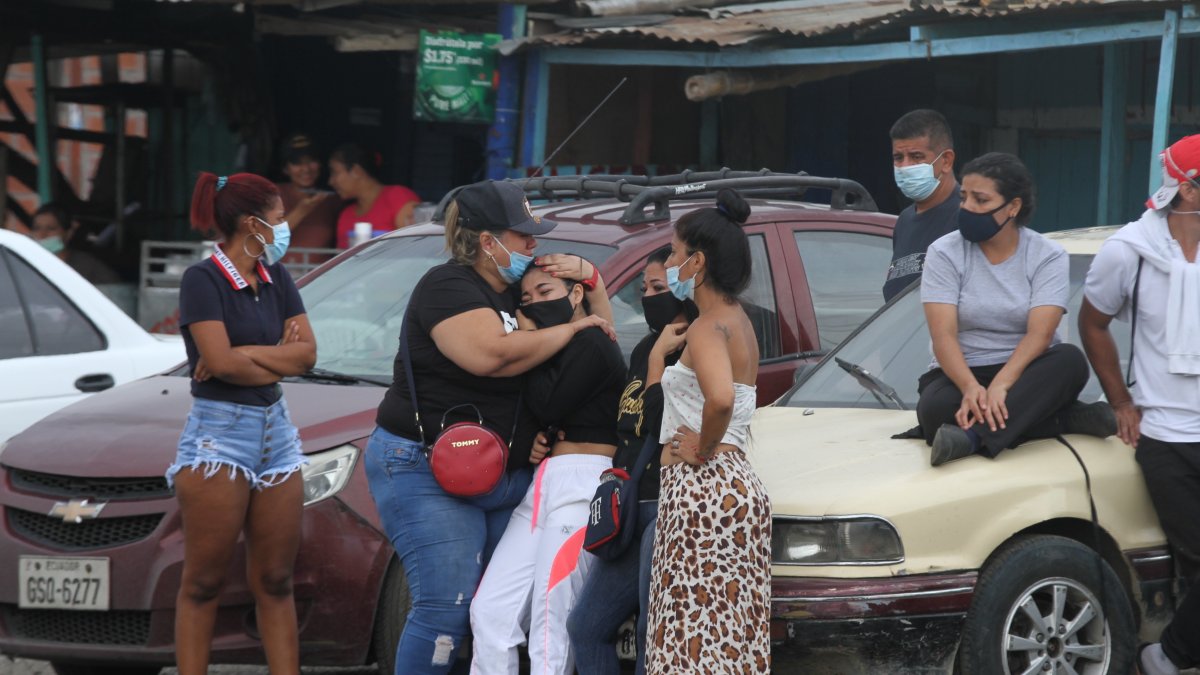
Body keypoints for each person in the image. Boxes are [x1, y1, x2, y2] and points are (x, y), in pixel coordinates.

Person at [365, 180, 614, 675]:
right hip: (427, 467)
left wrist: (593, 284)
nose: (532, 245)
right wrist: (568, 328)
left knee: (494, 609)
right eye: (522, 236)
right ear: (487, 242)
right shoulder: (448, 286)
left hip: (506, 475)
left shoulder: (520, 296)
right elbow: (490, 356)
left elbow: (596, 345)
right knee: (446, 608)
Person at [167, 172, 317, 675]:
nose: (283, 228)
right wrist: (272, 354)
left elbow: (307, 357)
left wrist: (246, 352)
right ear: (252, 224)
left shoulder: (280, 279)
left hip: (277, 432)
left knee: (276, 580)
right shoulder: (203, 279)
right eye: (277, 219)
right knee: (203, 582)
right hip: (219, 433)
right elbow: (219, 365)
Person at [1078, 134, 1200, 675]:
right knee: (1195, 559)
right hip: (1166, 437)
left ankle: (1167, 656)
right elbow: (1093, 322)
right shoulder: (1129, 250)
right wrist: (1121, 400)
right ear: (1187, 188)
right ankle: (1166, 657)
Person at [470, 264, 626, 675]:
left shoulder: (593, 341)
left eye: (544, 292)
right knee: (490, 611)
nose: (535, 304)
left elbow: (546, 403)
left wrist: (525, 338)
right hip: (544, 484)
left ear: (576, 295)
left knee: (550, 616)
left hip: (585, 484)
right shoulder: (555, 345)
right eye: (526, 300)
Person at [917, 152, 1113, 466]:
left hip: (1026, 373)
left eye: (980, 200)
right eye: (964, 198)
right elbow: (943, 336)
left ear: (1013, 206)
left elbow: (1041, 334)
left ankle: (971, 438)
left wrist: (1002, 385)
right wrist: (970, 387)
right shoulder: (944, 252)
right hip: (960, 373)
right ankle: (1060, 422)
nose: (967, 208)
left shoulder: (1047, 255)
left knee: (1071, 361)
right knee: (934, 410)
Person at [644, 189, 771, 674]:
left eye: (674, 254)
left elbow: (719, 397)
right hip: (733, 490)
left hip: (703, 493)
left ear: (696, 261)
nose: (670, 262)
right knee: (729, 640)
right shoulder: (738, 320)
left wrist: (703, 445)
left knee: (688, 638)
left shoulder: (707, 326)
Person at [568, 246, 695, 675]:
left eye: (658, 287)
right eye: (644, 288)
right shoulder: (645, 347)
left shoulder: (694, 346)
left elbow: (664, 423)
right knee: (585, 627)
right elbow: (626, 421)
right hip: (628, 505)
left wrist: (661, 359)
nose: (647, 296)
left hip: (665, 503)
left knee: (649, 635)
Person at [883, 109, 961, 302]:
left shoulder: (968, 215)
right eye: (898, 157)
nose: (905, 166)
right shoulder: (904, 221)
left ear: (946, 160)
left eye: (917, 156)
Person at [328, 142, 420, 248]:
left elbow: (415, 248)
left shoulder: (398, 197)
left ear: (356, 171)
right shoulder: (346, 215)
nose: (331, 181)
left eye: (335, 173)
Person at [275, 133, 341, 252]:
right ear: (285, 168)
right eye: (297, 163)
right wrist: (301, 211)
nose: (306, 169)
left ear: (320, 164)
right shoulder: (273, 195)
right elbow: (266, 241)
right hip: (282, 270)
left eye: (311, 161)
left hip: (322, 270)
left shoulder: (332, 199)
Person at [29, 203, 120, 284]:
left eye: (51, 228)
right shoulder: (28, 264)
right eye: (37, 228)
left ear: (68, 233)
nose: (42, 235)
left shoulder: (87, 266)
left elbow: (115, 289)